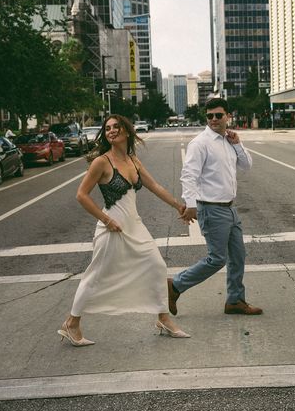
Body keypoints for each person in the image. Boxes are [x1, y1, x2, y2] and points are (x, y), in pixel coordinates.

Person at [58, 114, 190, 346]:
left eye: (116, 127)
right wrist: (107, 220)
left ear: (127, 131)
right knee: (95, 276)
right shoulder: (102, 162)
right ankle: (71, 323)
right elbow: (81, 195)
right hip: (112, 229)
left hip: (134, 225)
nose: (111, 131)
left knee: (157, 266)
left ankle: (163, 318)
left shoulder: (133, 160)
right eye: (107, 128)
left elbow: (155, 186)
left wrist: (179, 206)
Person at [168, 98, 262, 316]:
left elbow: (247, 165)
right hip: (211, 209)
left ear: (228, 116)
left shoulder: (229, 141)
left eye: (218, 115)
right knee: (217, 259)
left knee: (238, 256)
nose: (213, 119)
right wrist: (190, 205)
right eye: (209, 116)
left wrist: (238, 143)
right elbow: (188, 175)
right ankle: (175, 285)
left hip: (230, 208)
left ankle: (235, 301)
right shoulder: (200, 143)